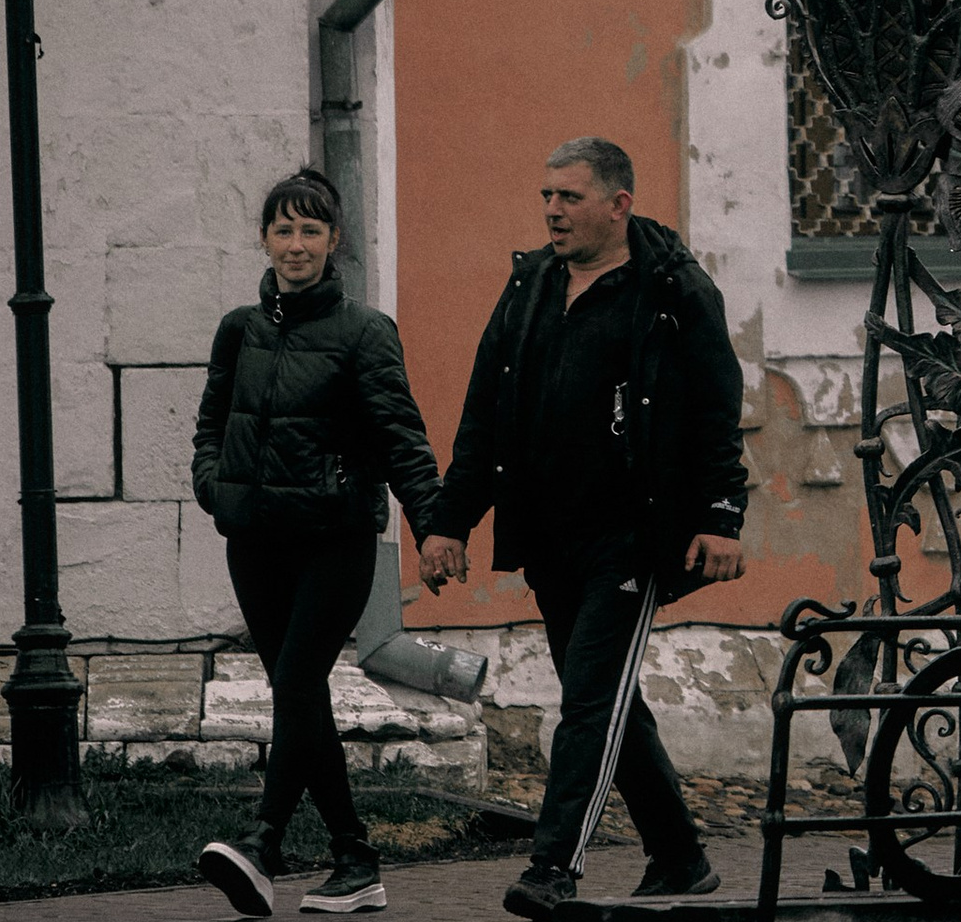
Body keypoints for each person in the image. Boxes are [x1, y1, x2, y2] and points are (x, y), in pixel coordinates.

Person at [418, 139, 748, 919]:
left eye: (568, 197)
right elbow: (484, 420)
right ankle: (680, 858)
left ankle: (554, 867)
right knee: (604, 699)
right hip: (549, 534)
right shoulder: (530, 284)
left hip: (635, 537)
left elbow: (716, 410)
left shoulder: (673, 290)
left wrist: (722, 517)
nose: (552, 212)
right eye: (546, 197)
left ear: (617, 204)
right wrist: (447, 524)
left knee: (591, 702)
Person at [193, 167, 446, 919]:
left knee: (296, 686)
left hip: (334, 542)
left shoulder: (364, 331)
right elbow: (211, 422)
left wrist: (433, 528)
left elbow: (402, 437)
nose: (295, 244)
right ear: (265, 238)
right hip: (255, 543)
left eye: (311, 230)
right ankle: (354, 858)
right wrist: (217, 486)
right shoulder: (240, 328)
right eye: (283, 229)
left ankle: (264, 844)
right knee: (296, 697)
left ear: (333, 242)